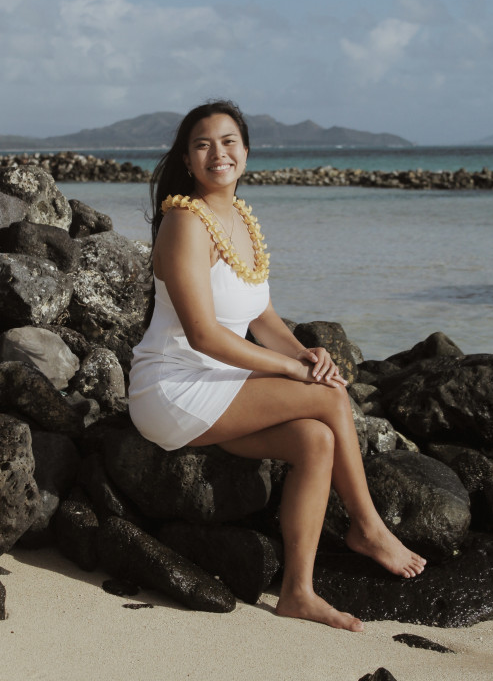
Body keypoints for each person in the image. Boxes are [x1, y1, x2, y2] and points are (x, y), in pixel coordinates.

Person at [128, 100, 426, 632]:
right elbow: (203, 334)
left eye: (228, 141)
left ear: (245, 151)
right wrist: (289, 374)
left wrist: (301, 354)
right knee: (330, 397)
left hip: (221, 381)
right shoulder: (184, 223)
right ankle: (368, 527)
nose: (218, 153)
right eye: (203, 144)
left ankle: (297, 592)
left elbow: (260, 314)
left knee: (316, 440)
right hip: (173, 386)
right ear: (187, 160)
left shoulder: (240, 216)